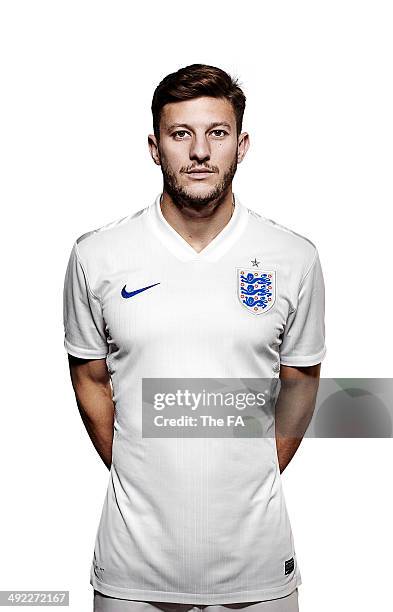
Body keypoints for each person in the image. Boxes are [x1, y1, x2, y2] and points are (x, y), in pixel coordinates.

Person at [63, 64, 326, 612]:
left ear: (242, 144)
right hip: (133, 569)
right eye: (181, 134)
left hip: (257, 568)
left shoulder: (294, 259)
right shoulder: (97, 256)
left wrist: (253, 467)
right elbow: (89, 379)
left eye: (217, 133)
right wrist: (142, 465)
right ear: (155, 147)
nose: (200, 151)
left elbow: (300, 381)